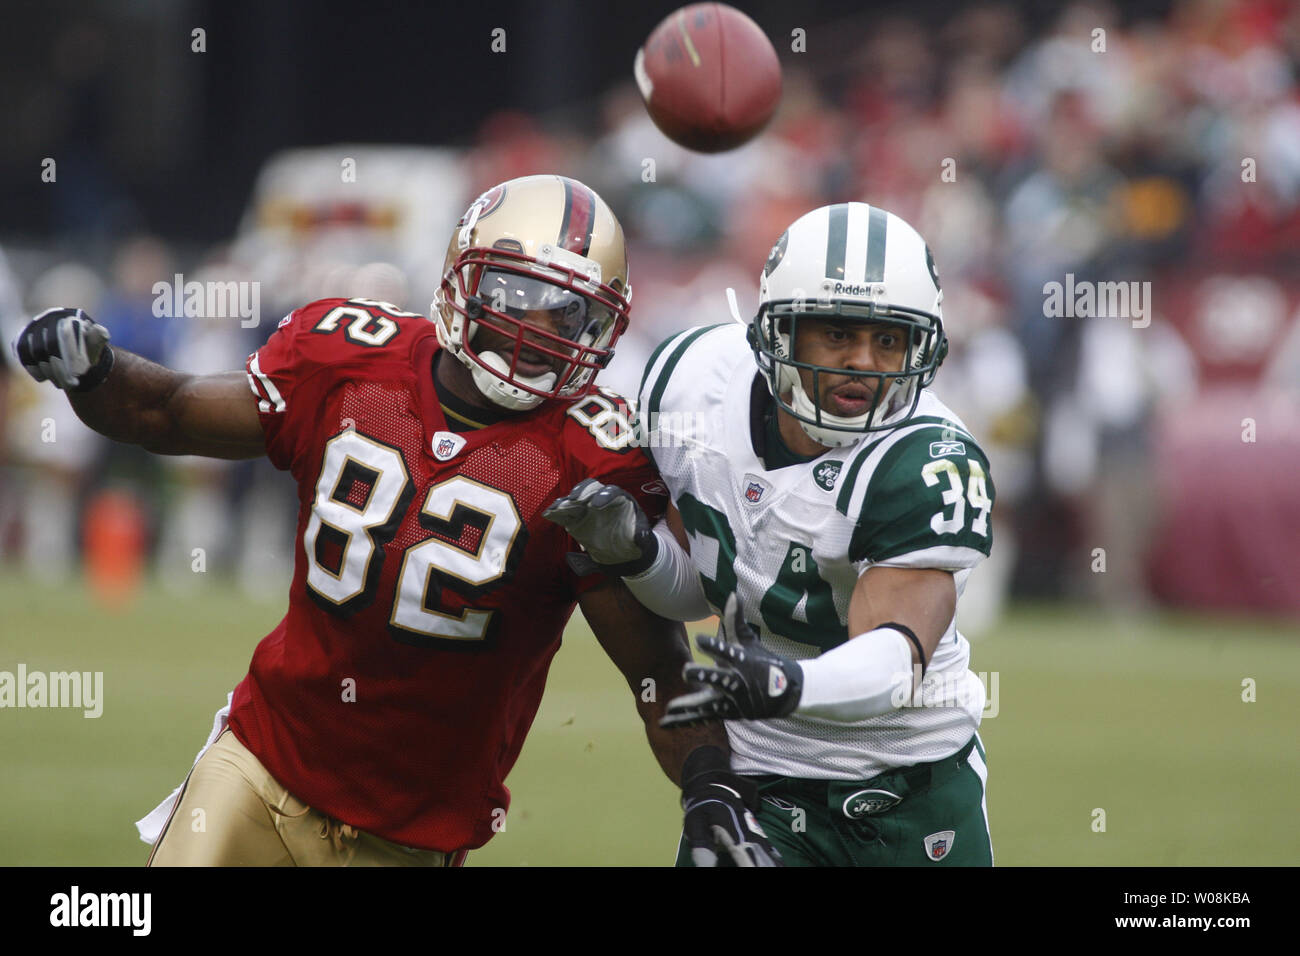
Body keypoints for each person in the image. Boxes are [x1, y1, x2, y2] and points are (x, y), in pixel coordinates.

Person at [13, 174, 775, 867]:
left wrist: (710, 790)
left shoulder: (593, 456)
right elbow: (169, 411)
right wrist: (93, 372)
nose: (537, 327)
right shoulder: (347, 360)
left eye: (566, 309)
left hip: (413, 830)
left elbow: (657, 670)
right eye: (514, 294)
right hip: (262, 760)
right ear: (461, 280)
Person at [545, 202, 996, 866]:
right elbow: (694, 597)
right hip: (760, 774)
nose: (865, 363)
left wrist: (789, 684)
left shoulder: (926, 460)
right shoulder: (691, 385)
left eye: (889, 340)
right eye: (838, 335)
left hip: (911, 781)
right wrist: (638, 555)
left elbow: (896, 661)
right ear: (779, 332)